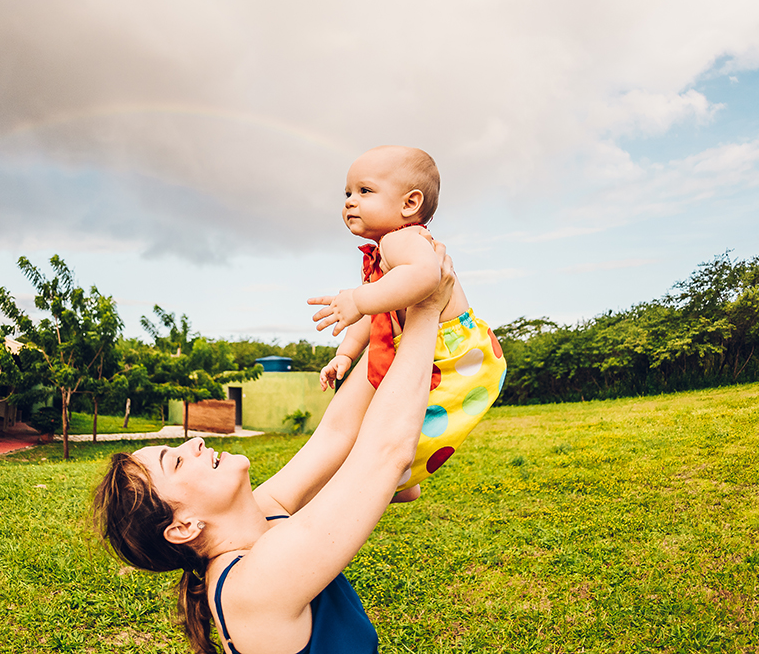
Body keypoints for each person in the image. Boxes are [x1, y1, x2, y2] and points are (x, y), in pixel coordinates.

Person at [93, 243, 456, 654]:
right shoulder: (253, 586)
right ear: (183, 527)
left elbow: (337, 432)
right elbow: (386, 454)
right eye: (175, 461)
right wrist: (427, 309)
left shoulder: (260, 513)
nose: (194, 441)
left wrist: (394, 310)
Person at [308, 145, 507, 501]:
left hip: (453, 355)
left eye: (364, 191)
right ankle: (402, 481)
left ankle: (399, 476)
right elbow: (376, 314)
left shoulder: (402, 240)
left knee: (393, 430)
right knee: (389, 421)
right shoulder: (384, 252)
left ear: (409, 204)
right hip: (429, 352)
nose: (351, 201)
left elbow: (426, 275)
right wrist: (346, 353)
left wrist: (358, 298)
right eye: (347, 193)